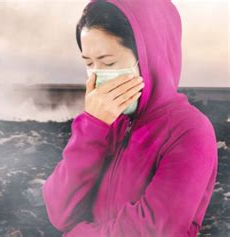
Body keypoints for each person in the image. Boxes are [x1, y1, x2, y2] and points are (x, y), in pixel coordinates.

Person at [42, 0, 218, 236]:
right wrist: (92, 126)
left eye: (108, 63)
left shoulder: (190, 131)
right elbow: (59, 212)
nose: (98, 75)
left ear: (150, 57)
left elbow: (150, 230)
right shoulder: (107, 119)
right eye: (89, 64)